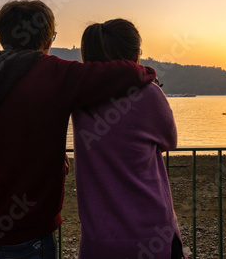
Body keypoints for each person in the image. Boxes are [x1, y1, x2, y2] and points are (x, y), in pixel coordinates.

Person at [0, 0, 156, 258]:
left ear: (3, 37)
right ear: (47, 40)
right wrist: (147, 72)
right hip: (27, 236)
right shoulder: (52, 72)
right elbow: (121, 72)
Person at [72, 19, 187, 259]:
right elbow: (170, 140)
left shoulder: (78, 96)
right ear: (135, 54)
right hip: (151, 235)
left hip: (98, 240)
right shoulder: (148, 93)